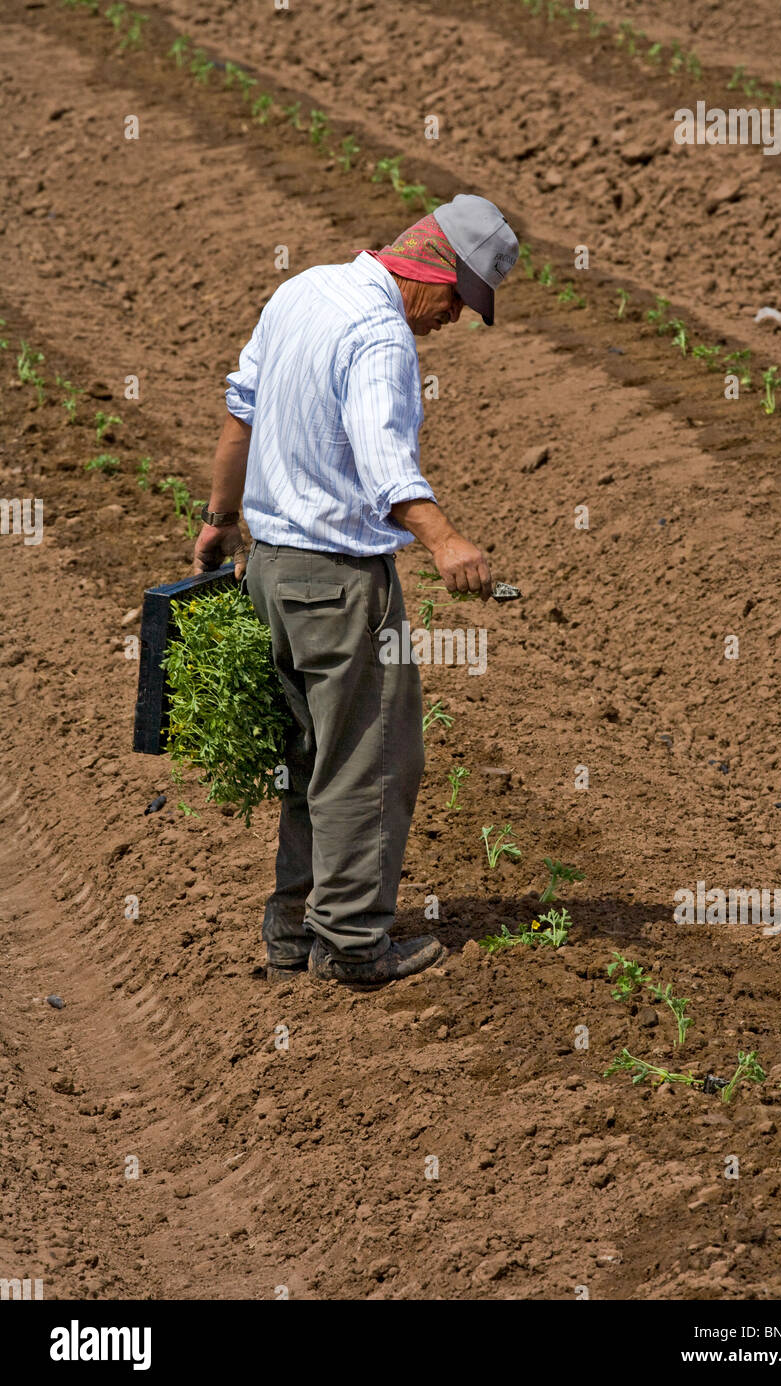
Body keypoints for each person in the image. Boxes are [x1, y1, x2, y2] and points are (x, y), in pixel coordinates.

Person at [193, 194, 518, 985]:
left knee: (312, 758)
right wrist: (445, 542)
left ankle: (293, 934)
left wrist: (218, 520)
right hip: (338, 585)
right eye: (457, 299)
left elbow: (242, 414)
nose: (453, 319)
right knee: (371, 759)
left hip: (270, 570)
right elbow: (384, 460)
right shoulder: (379, 334)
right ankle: (351, 946)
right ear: (431, 266)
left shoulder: (302, 289)